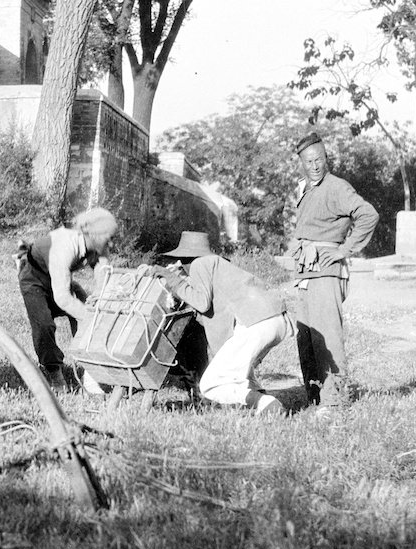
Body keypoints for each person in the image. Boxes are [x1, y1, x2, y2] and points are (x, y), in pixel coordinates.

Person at [147, 231, 291, 415]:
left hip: (256, 323)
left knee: (210, 385)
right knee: (239, 370)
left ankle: (267, 404)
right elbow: (214, 312)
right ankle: (261, 403)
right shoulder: (216, 265)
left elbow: (201, 302)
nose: (180, 265)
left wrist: (171, 278)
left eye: (182, 260)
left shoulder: (200, 263)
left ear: (188, 258)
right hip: (274, 319)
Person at [291, 132, 379, 413]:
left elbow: (369, 215)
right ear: (301, 164)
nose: (315, 165)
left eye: (319, 159)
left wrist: (345, 250)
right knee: (306, 336)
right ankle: (316, 397)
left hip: (326, 272)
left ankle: (336, 401)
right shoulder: (306, 189)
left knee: (327, 337)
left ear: (327, 158)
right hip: (306, 271)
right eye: (309, 161)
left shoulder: (337, 187)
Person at [16, 207, 119, 391]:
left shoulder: (95, 242)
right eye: (108, 239)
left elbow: (102, 270)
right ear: (94, 234)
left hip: (59, 280)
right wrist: (87, 315)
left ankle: (90, 370)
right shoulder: (64, 246)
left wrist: (98, 299)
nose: (111, 245)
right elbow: (63, 298)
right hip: (34, 279)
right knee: (44, 325)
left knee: (90, 314)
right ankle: (54, 373)